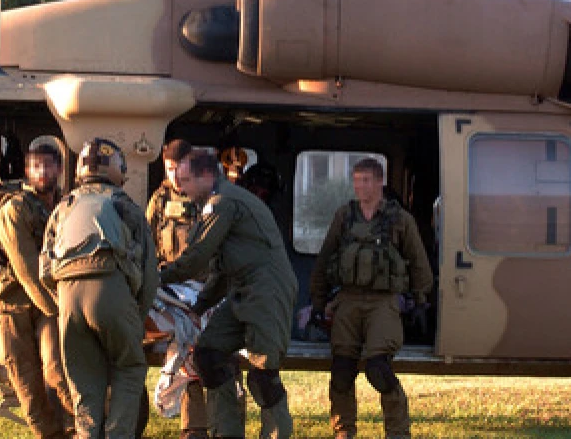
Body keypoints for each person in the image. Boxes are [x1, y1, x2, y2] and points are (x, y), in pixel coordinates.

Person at [159, 151, 298, 439]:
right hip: (242, 291)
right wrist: (201, 305)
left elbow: (198, 256)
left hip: (266, 293)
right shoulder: (218, 202)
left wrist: (157, 278)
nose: (181, 188)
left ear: (206, 176)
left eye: (185, 181)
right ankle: (227, 432)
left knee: (264, 376)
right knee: (209, 355)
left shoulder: (223, 203)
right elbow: (222, 268)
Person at [308, 157, 434, 439]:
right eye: (356, 180)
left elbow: (418, 262)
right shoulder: (344, 216)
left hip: (383, 302)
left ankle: (398, 433)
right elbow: (325, 259)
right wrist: (318, 302)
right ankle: (343, 432)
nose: (360, 186)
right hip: (348, 300)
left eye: (366, 180)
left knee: (378, 369)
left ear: (380, 182)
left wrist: (420, 300)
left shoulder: (399, 219)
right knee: (341, 372)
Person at [41, 138, 158, 438]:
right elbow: (148, 273)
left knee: (84, 384)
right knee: (129, 369)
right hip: (111, 293)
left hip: (68, 297)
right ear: (116, 169)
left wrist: (64, 300)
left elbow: (44, 269)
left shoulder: (63, 207)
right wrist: (136, 316)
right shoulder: (124, 206)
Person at [147, 139, 235, 439]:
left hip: (212, 288)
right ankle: (194, 427)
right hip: (175, 291)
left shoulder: (213, 197)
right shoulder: (160, 199)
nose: (173, 176)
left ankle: (227, 426)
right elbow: (148, 242)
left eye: (178, 169)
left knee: (220, 355)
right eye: (168, 169)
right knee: (186, 351)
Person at [0, 142, 74, 439]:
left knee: (59, 372)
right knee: (27, 385)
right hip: (14, 305)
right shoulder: (15, 209)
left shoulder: (65, 206)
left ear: (60, 169)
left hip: (49, 302)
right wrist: (58, 310)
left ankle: (82, 430)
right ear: (27, 171)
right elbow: (24, 269)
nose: (43, 172)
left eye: (49, 165)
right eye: (36, 166)